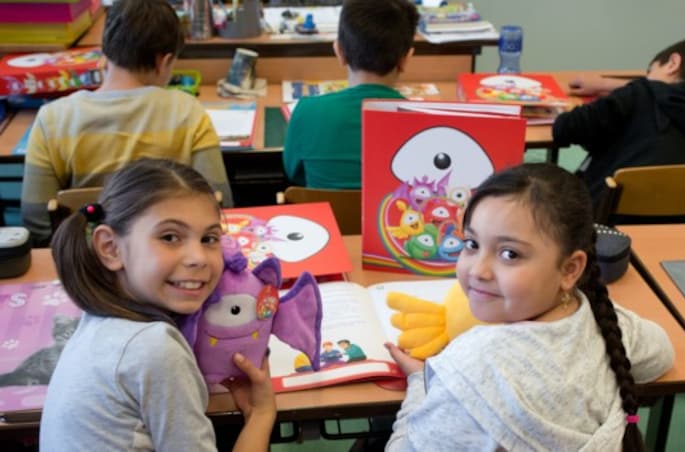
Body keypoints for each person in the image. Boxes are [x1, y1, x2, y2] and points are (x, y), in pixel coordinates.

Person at [385, 163, 674, 451]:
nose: (478, 271)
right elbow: (661, 353)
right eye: (471, 243)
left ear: (570, 269)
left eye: (509, 254)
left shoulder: (469, 369)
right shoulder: (602, 321)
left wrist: (417, 382)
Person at [39, 159, 274, 451]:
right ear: (110, 248)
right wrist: (261, 414)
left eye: (209, 238)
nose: (198, 257)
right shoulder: (155, 348)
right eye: (170, 237)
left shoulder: (98, 320)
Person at [21, 0, 233, 247]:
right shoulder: (188, 113)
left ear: (104, 51)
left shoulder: (52, 119)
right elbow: (218, 203)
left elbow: (36, 220)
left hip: (84, 267)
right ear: (163, 62)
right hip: (166, 265)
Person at [552, 39, 685, 206]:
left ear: (673, 63)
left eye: (650, 72)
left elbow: (564, 128)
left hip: (606, 224)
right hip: (679, 227)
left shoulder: (640, 93)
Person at [282, 0, 419, 189]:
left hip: (325, 217)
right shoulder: (422, 121)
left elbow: (293, 173)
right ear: (406, 59)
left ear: (339, 52)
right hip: (392, 218)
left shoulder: (307, 111)